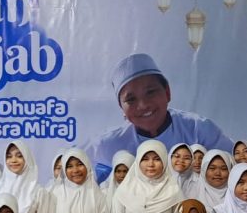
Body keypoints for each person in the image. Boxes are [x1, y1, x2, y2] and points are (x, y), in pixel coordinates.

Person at [83, 53, 233, 174]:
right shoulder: (108, 144)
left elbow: (236, 165)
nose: (143, 105)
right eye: (131, 99)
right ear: (121, 108)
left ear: (167, 92)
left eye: (150, 92)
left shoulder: (198, 130)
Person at [194, 149, 234, 213]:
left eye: (223, 169)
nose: (217, 173)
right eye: (212, 168)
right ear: (204, 170)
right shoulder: (193, 197)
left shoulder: (237, 199)